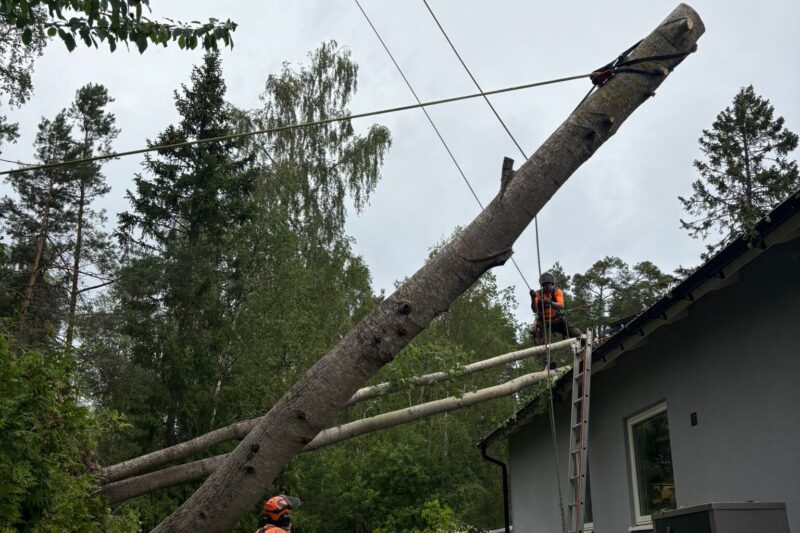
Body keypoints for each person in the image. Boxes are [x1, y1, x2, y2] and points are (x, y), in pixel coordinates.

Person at [530, 272, 581, 342]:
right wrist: (533, 298)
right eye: (545, 284)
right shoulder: (538, 294)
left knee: (577, 334)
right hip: (545, 324)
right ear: (542, 285)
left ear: (552, 284)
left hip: (558, 321)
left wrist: (550, 303)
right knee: (547, 345)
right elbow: (534, 310)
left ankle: (589, 346)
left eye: (549, 283)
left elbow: (561, 305)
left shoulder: (557, 292)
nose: (547, 286)